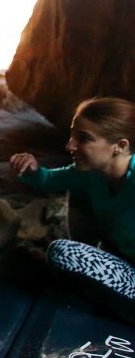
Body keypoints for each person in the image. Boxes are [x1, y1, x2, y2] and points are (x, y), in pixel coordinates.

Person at [10, 96, 135, 318]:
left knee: (64, 254)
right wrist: (32, 170)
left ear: (120, 146)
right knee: (77, 189)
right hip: (120, 258)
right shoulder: (92, 173)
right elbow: (49, 180)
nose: (70, 145)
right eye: (72, 134)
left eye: (83, 138)